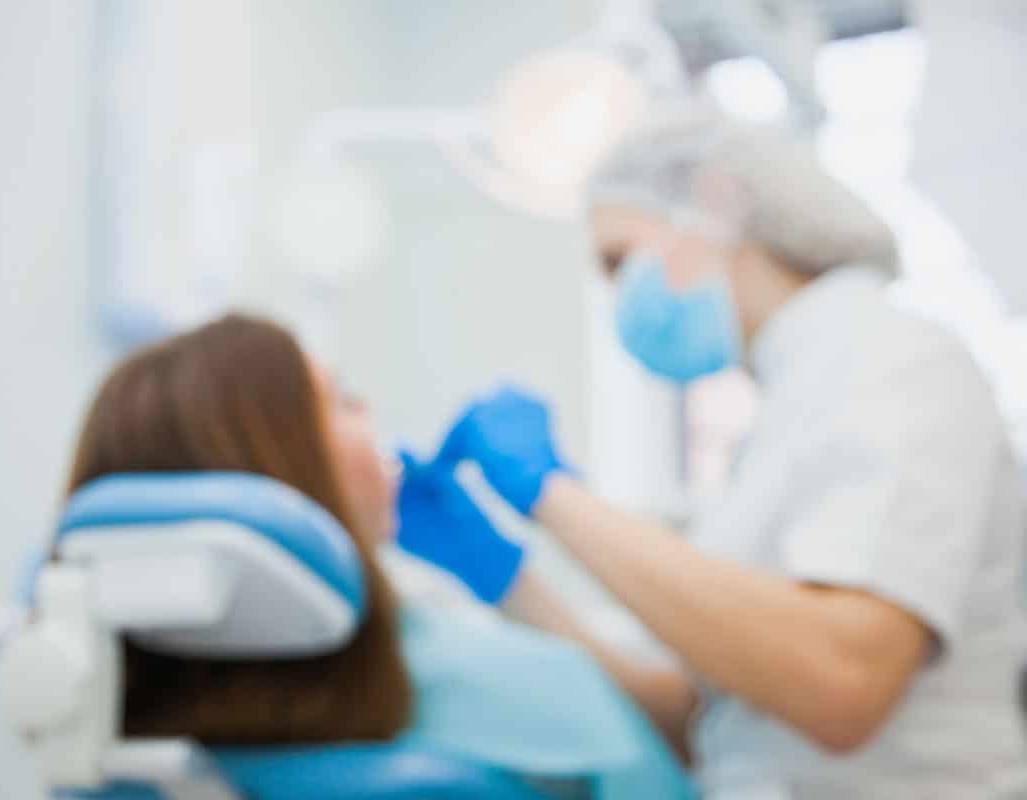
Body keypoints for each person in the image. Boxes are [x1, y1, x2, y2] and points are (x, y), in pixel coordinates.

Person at [404, 112, 1027, 798]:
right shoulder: (787, 411)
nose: (618, 298)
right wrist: (511, 582)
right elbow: (709, 728)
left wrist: (554, 495)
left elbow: (839, 683)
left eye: (619, 260)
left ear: (715, 204)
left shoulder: (893, 361)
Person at [61, 312, 693, 799]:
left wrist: (510, 585)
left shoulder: (153, 743)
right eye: (342, 400)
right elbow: (681, 747)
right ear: (287, 469)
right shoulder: (478, 677)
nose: (371, 414)